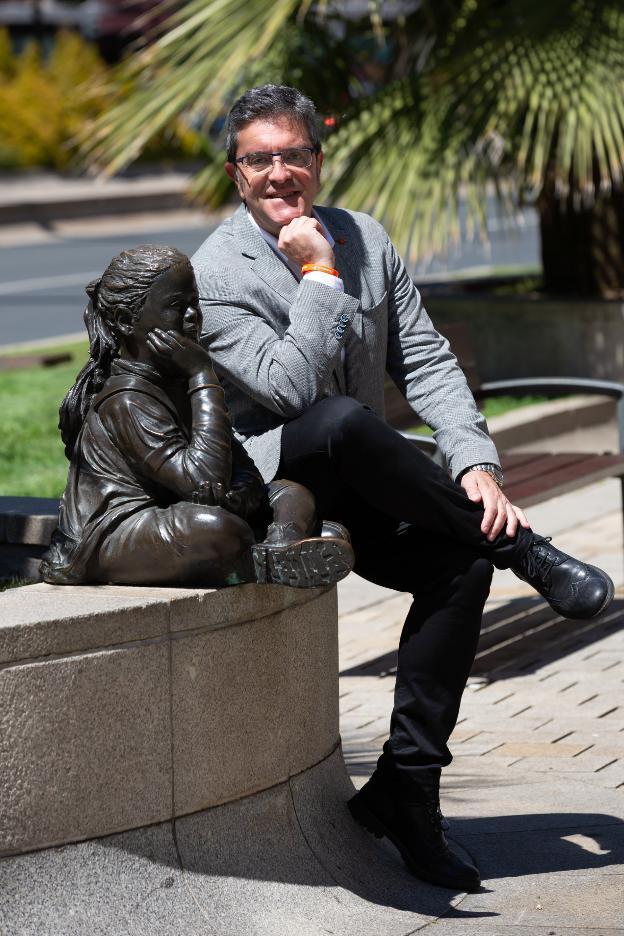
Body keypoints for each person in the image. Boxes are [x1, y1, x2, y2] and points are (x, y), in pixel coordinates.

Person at [191, 85, 614, 892]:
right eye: (260, 158)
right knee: (342, 418)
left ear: (318, 158)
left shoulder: (367, 236)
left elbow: (423, 360)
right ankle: (528, 549)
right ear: (235, 172)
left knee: (460, 563)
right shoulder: (216, 271)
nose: (280, 172)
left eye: (295, 154)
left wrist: (475, 464)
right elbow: (287, 391)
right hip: (284, 483)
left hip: (372, 475)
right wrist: (316, 273)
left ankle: (408, 789)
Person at [41, 245, 354, 589]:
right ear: (125, 321)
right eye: (177, 307)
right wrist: (203, 375)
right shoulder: (127, 399)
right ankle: (274, 553)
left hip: (181, 504)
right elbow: (201, 479)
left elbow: (239, 466)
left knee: (291, 494)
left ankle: (279, 547)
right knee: (216, 528)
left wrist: (241, 493)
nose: (193, 316)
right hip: (118, 532)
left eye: (195, 303)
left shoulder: (178, 379)